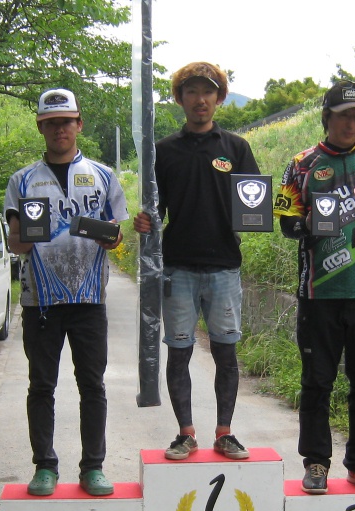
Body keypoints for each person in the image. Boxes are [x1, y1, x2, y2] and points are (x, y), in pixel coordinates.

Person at [274, 80, 355, 495]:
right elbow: (285, 222)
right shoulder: (301, 163)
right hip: (319, 293)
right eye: (344, 114)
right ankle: (315, 462)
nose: (352, 122)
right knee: (317, 382)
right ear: (326, 116)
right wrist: (308, 224)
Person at [133, 62, 260, 461]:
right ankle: (185, 433)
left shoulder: (236, 148)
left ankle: (225, 432)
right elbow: (155, 211)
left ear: (219, 98)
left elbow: (253, 202)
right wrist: (145, 221)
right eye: (191, 92)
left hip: (225, 266)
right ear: (180, 99)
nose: (200, 99)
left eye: (208, 92)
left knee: (226, 352)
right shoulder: (164, 151)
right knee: (179, 351)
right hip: (178, 267)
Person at [4, 88, 127, 497]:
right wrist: (22, 236)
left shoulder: (104, 175)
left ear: (79, 125)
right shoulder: (21, 180)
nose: (60, 128)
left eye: (67, 121)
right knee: (42, 386)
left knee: (92, 385)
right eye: (52, 122)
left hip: (90, 299)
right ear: (41, 126)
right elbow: (15, 244)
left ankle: (93, 466)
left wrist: (111, 238)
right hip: (40, 300)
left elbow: (116, 235)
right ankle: (45, 466)